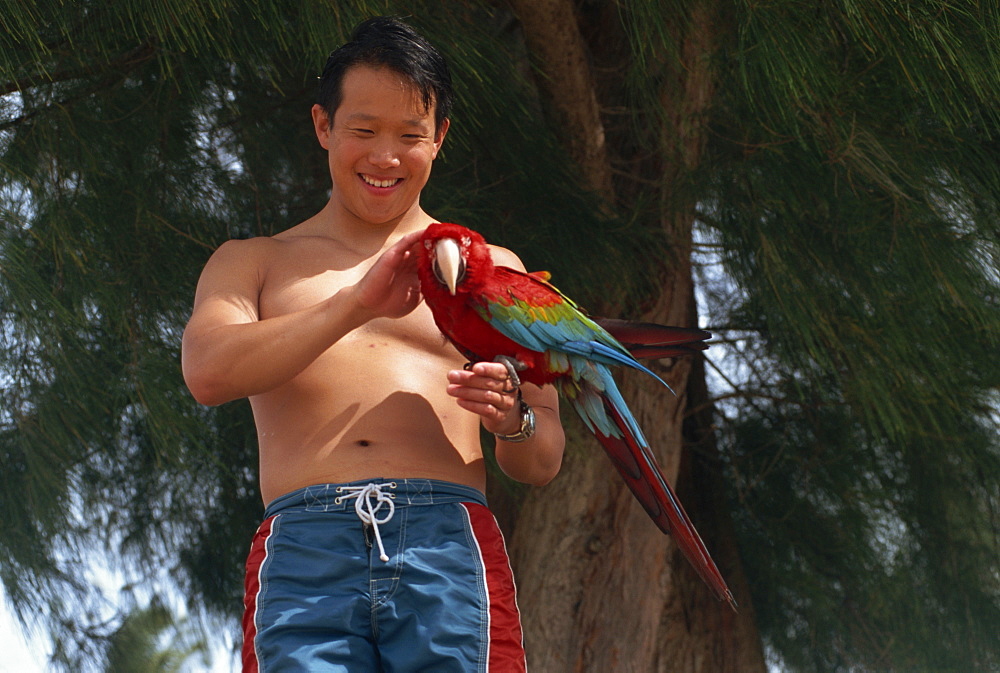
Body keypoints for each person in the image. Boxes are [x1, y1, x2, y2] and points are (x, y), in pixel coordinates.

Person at [181, 16, 566, 673]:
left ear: (440, 137)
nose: (385, 157)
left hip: (447, 544)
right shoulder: (255, 261)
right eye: (363, 131)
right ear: (323, 127)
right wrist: (354, 303)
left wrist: (513, 418)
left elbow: (544, 458)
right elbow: (209, 372)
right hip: (306, 547)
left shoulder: (496, 268)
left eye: (410, 135)